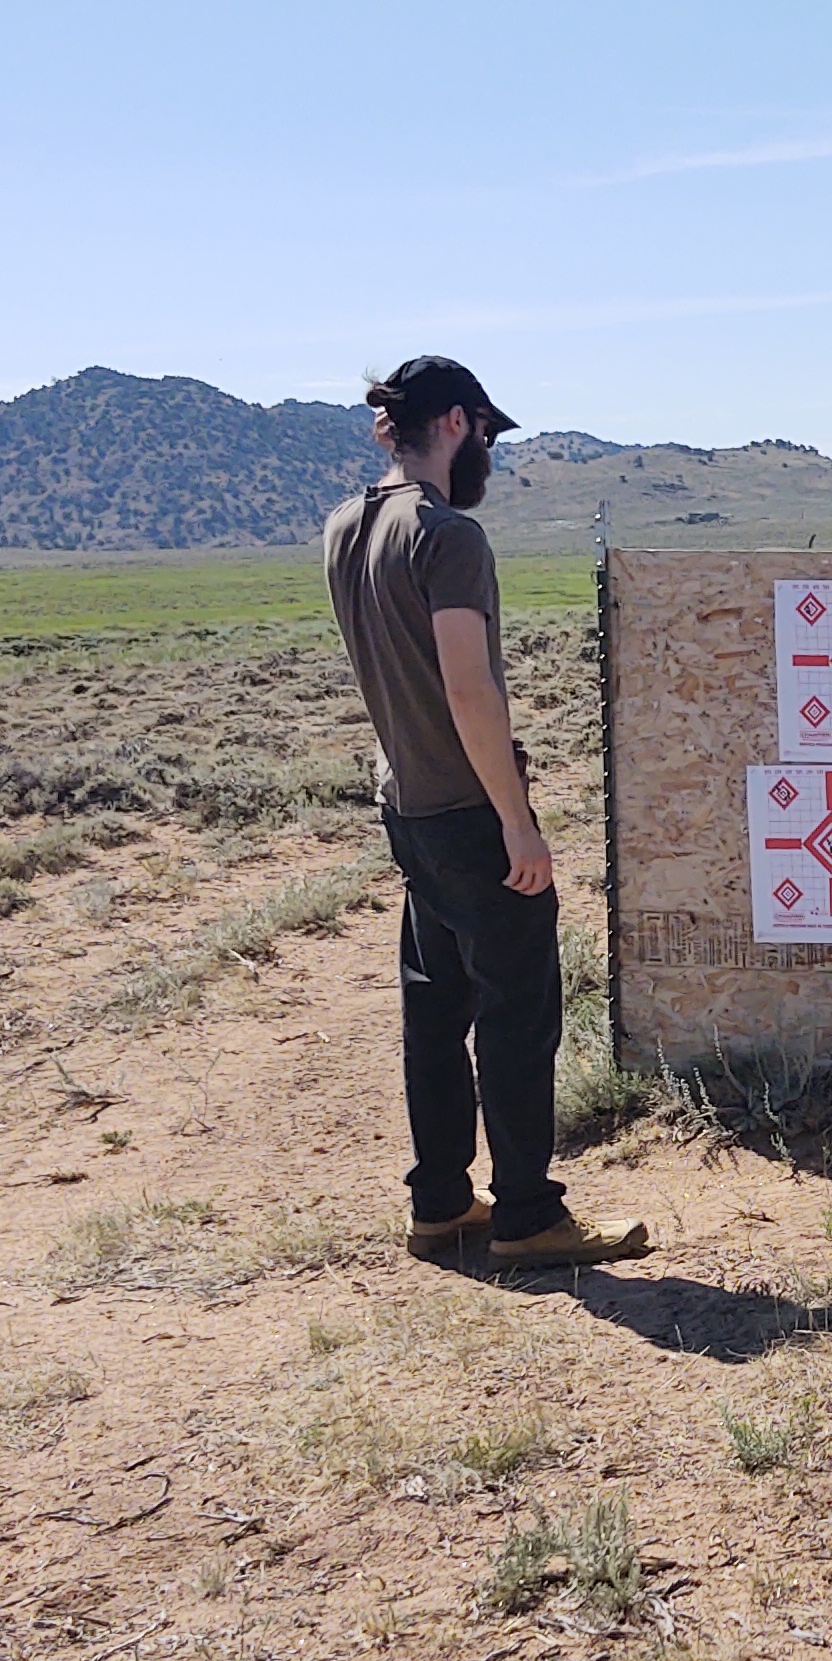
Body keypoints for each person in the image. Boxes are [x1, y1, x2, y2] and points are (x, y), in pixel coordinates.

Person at [324, 354, 648, 1270]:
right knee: (516, 1013)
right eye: (489, 436)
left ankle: (440, 1204)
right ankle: (528, 1217)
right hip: (469, 806)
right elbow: (469, 689)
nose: (489, 459)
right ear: (458, 423)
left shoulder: (346, 527)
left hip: (407, 805)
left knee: (433, 1011)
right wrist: (517, 818)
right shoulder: (445, 536)